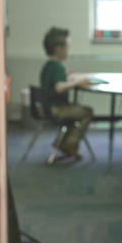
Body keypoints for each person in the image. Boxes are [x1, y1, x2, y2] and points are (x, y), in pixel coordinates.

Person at [39, 26, 93, 162]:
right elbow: (58, 87)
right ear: (58, 49)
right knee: (86, 112)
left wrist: (67, 75)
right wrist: (76, 83)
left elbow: (55, 81)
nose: (68, 50)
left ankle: (64, 143)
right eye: (67, 47)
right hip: (57, 109)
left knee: (75, 112)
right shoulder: (57, 67)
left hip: (47, 107)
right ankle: (69, 144)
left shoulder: (49, 65)